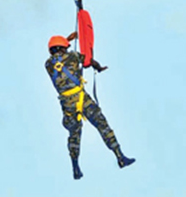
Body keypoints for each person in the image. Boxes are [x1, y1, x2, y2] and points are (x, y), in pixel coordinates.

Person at [45, 33, 135, 180]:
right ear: (63, 48)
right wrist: (98, 67)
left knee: (74, 135)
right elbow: (88, 61)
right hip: (82, 99)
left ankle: (75, 167)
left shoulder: (48, 65)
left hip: (67, 105)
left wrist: (66, 40)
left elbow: (58, 54)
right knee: (102, 124)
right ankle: (120, 157)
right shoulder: (73, 56)